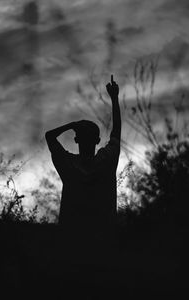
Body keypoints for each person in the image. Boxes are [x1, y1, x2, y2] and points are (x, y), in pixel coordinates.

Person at [45, 75, 121, 239]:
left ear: (76, 139)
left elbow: (49, 136)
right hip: (104, 241)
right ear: (98, 141)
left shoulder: (68, 164)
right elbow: (116, 132)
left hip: (71, 241)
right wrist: (114, 98)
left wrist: (72, 125)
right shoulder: (106, 160)